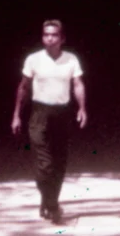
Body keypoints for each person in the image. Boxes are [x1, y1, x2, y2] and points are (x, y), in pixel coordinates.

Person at [11, 19, 87, 224]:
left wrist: (82, 108)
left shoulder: (71, 60)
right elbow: (23, 87)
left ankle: (48, 202)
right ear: (42, 38)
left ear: (62, 39)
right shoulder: (33, 60)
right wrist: (16, 114)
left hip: (62, 114)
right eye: (46, 35)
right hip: (40, 114)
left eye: (54, 35)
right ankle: (52, 206)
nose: (50, 39)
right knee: (44, 164)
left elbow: (78, 84)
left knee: (59, 162)